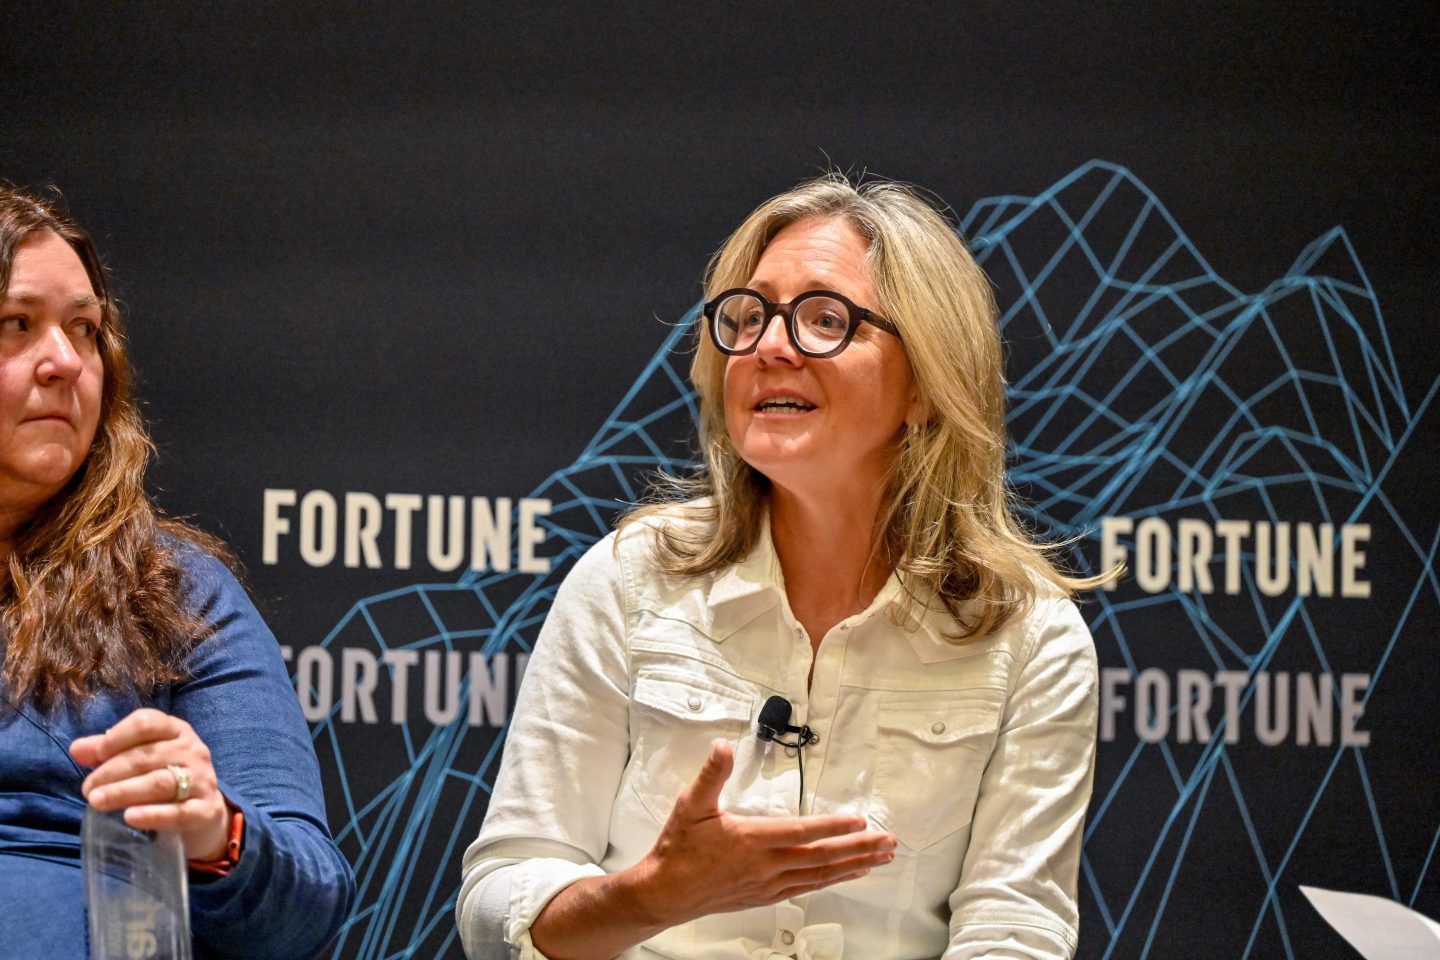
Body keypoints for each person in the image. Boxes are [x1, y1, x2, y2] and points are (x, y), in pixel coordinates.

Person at [456, 175, 1111, 960]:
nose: (769, 347)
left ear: (928, 385)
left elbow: (1016, 934)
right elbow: (497, 898)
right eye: (749, 315)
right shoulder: (629, 582)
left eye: (825, 320)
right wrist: (652, 895)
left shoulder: (1030, 637)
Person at [0, 186, 355, 958]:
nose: (63, 361)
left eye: (84, 330)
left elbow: (311, 904)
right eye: (16, 325)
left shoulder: (172, 590)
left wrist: (214, 831)